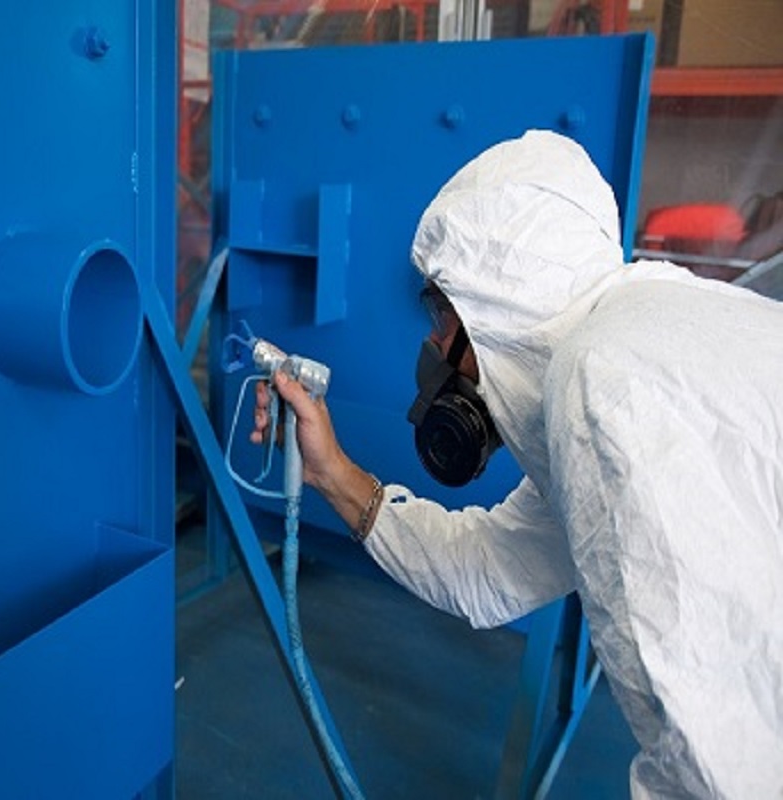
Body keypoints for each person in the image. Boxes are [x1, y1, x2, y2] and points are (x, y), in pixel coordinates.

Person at [252, 130, 783, 798]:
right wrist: (331, 470)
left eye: (441, 316)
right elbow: (490, 570)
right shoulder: (652, 326)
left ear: (495, 311)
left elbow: (714, 766)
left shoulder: (606, 383)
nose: (433, 345)